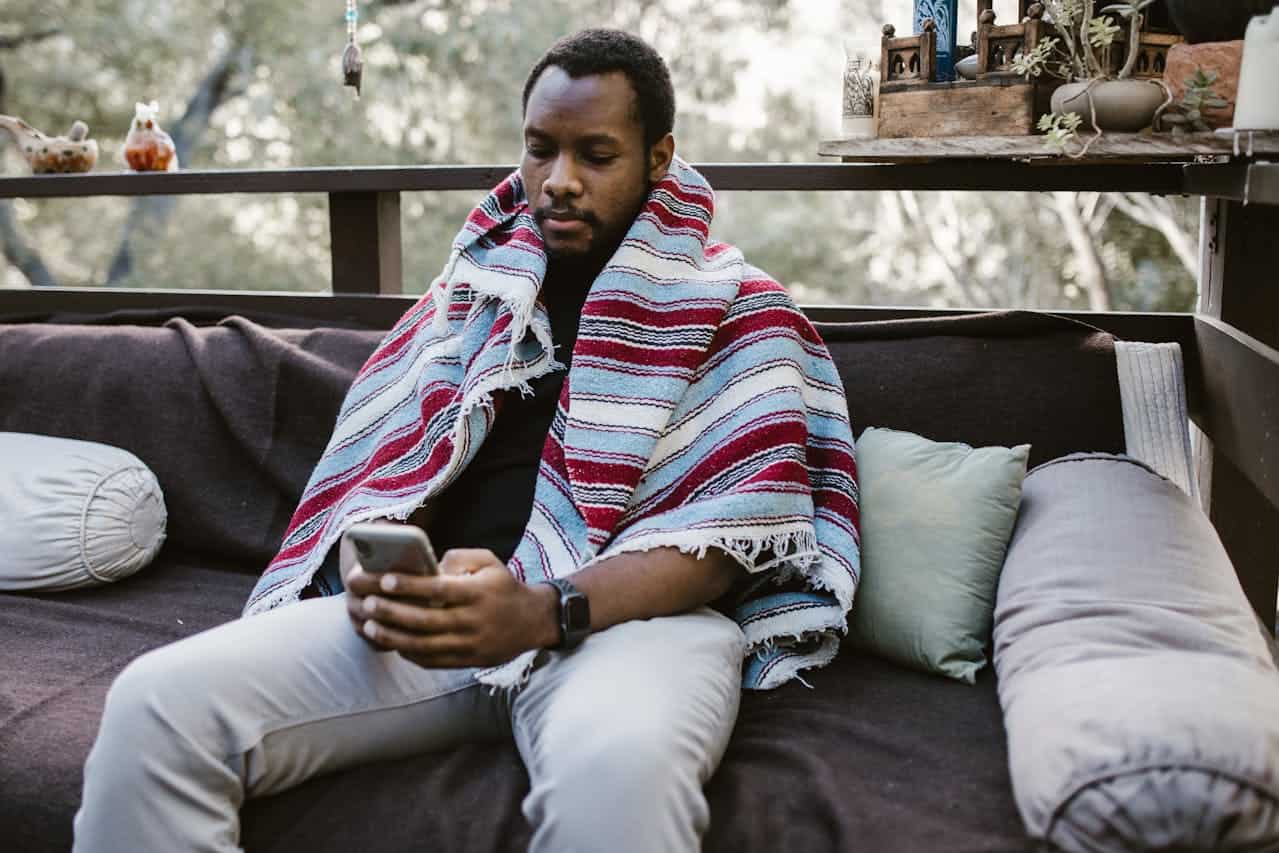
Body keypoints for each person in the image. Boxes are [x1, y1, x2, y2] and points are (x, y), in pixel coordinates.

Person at [74, 28, 859, 853]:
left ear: (657, 158)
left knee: (618, 773)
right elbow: (383, 473)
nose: (559, 181)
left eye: (595, 154)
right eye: (539, 150)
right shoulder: (474, 290)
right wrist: (371, 565)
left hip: (632, 629)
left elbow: (729, 540)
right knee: (154, 706)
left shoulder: (738, 307)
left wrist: (543, 608)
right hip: (450, 617)